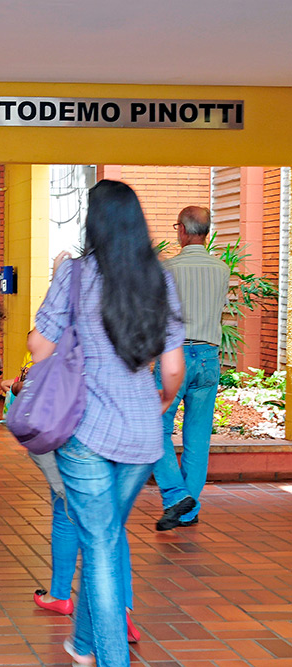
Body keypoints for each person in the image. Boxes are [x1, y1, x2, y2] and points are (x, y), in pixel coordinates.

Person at [28, 180, 185, 667]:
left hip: (87, 429)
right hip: (142, 431)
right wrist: (160, 401)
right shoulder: (159, 277)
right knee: (107, 534)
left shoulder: (75, 275)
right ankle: (84, 642)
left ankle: (110, 658)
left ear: (92, 221)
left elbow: (40, 346)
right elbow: (174, 369)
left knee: (98, 543)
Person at [153, 206, 229, 531]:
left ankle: (176, 496)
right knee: (198, 436)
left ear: (182, 230)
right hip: (209, 357)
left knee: (156, 429)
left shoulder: (168, 269)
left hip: (175, 357)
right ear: (206, 232)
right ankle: (188, 510)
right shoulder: (222, 269)